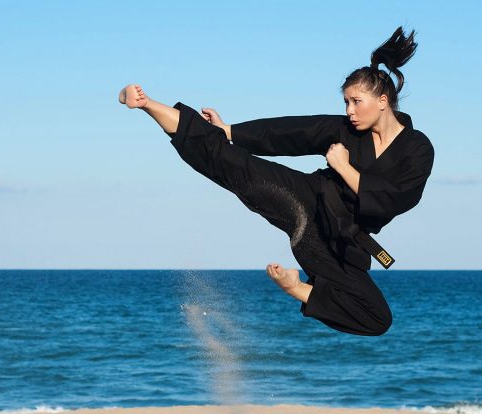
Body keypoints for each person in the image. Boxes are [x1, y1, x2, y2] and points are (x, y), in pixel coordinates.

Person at [119, 27, 434, 336]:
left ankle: (298, 289)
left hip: (337, 241)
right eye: (345, 103)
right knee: (231, 164)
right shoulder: (346, 130)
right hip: (306, 201)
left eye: (356, 102)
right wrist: (229, 131)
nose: (349, 111)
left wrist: (344, 167)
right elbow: (290, 133)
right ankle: (146, 104)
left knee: (377, 318)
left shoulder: (418, 149)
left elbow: (396, 199)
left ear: (382, 101)